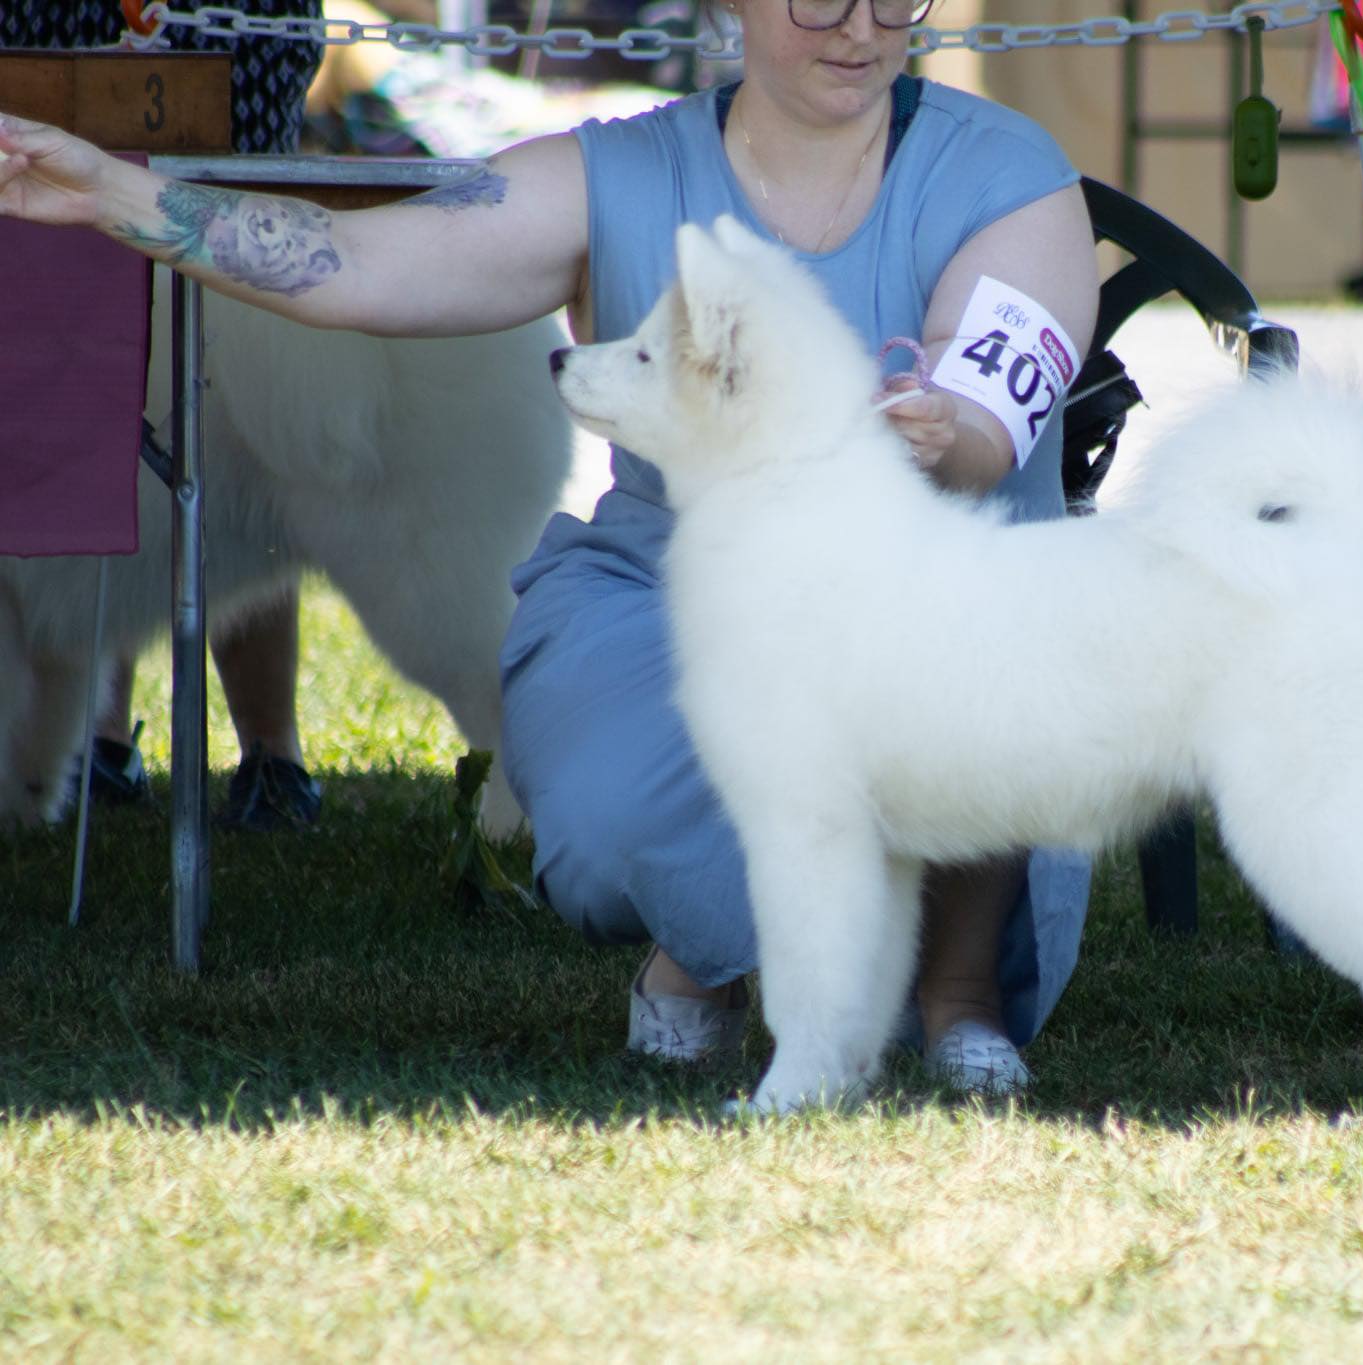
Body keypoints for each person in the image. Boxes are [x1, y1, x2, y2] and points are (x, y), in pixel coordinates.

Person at [0, 0, 1098, 1093]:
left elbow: (982, 424)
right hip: (675, 597)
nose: (858, 28)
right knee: (606, 826)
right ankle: (709, 952)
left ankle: (955, 990)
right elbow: (351, 261)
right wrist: (114, 193)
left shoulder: (1010, 173)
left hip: (927, 609)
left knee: (945, 670)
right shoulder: (611, 171)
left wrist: (940, 433)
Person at [0, 0, 327, 828]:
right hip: (49, 48)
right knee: (64, 402)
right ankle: (91, 743)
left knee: (243, 431)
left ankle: (267, 746)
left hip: (230, 42)